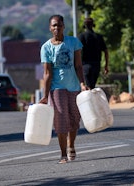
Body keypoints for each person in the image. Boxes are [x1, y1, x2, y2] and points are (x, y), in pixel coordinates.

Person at [39, 14, 87, 164]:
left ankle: (71, 144)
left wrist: (82, 84)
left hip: (73, 87)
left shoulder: (73, 42)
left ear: (64, 27)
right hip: (57, 88)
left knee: (74, 119)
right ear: (50, 28)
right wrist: (45, 95)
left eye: (59, 25)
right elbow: (47, 73)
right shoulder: (46, 47)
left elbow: (79, 66)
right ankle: (63, 154)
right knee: (60, 121)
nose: (56, 28)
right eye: (54, 25)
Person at [78, 17, 109, 89]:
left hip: (85, 65)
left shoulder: (81, 36)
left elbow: (77, 51)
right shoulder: (98, 37)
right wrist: (106, 66)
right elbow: (106, 51)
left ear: (84, 25)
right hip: (96, 65)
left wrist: (76, 65)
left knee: (88, 87)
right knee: (92, 86)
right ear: (93, 25)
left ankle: (90, 100)